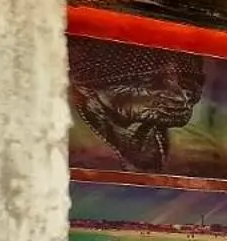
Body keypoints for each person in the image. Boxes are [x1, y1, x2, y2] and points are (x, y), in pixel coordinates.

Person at [67, 38, 207, 173]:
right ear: (86, 87)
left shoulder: (198, 148)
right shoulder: (62, 148)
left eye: (186, 80)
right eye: (148, 81)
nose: (181, 96)